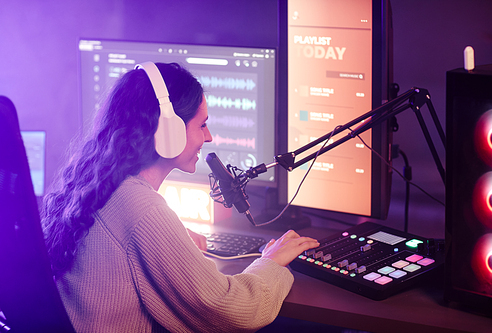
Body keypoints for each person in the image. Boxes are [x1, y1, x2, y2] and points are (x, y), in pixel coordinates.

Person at [42, 62, 319, 333]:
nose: (208, 137)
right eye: (202, 125)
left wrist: (173, 237)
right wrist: (270, 262)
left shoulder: (100, 184)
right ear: (169, 130)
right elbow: (235, 311)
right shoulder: (143, 209)